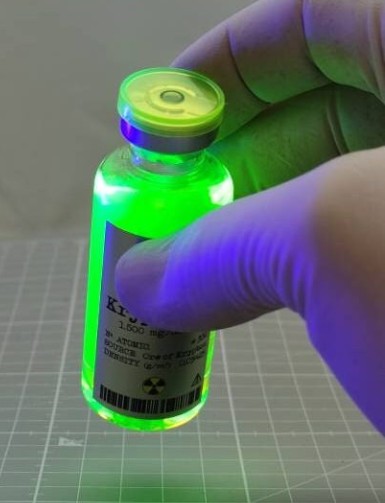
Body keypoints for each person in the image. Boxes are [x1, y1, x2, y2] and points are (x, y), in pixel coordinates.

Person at [115, 0, 385, 435]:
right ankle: (115, 389)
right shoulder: (115, 181)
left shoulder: (213, 183)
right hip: (119, 364)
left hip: (179, 387)